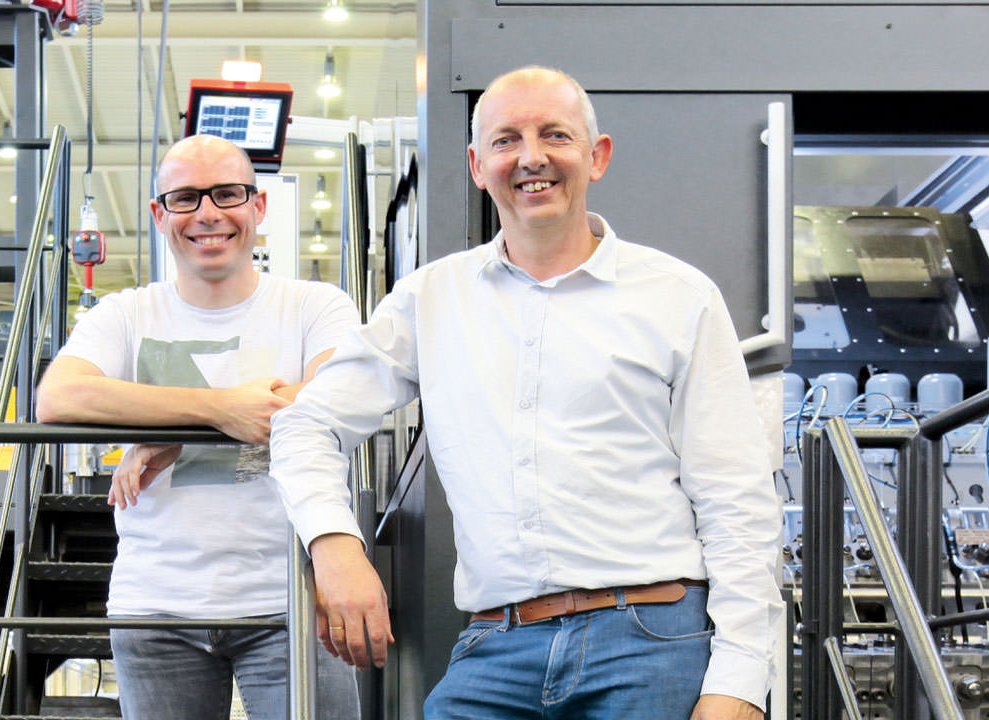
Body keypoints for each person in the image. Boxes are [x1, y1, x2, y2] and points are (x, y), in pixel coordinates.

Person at [268, 66, 782, 720]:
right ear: (478, 165)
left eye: (555, 135)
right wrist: (334, 544)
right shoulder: (432, 300)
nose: (531, 157)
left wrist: (739, 680)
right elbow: (305, 424)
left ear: (597, 157)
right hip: (496, 645)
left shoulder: (679, 297)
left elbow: (736, 498)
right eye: (507, 140)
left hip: (653, 641)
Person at [35, 134, 361, 720]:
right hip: (156, 607)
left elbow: (335, 398)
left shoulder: (316, 306)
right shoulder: (126, 312)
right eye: (185, 198)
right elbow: (59, 397)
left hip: (289, 600)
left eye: (227, 194)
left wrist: (161, 425)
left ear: (257, 207)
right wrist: (213, 412)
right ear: (160, 215)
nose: (208, 214)